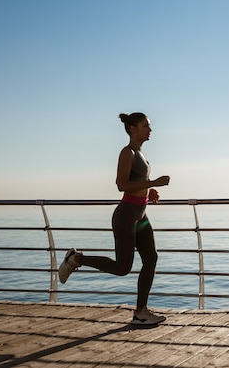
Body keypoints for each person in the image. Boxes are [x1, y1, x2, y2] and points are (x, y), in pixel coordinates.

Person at [58, 112, 170, 325]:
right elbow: (122, 184)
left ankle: (141, 313)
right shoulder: (127, 152)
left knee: (151, 259)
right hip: (127, 215)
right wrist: (152, 182)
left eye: (150, 126)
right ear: (132, 129)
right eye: (146, 126)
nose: (150, 130)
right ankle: (76, 259)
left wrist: (150, 191)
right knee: (122, 268)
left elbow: (138, 182)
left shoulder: (142, 154)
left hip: (141, 215)